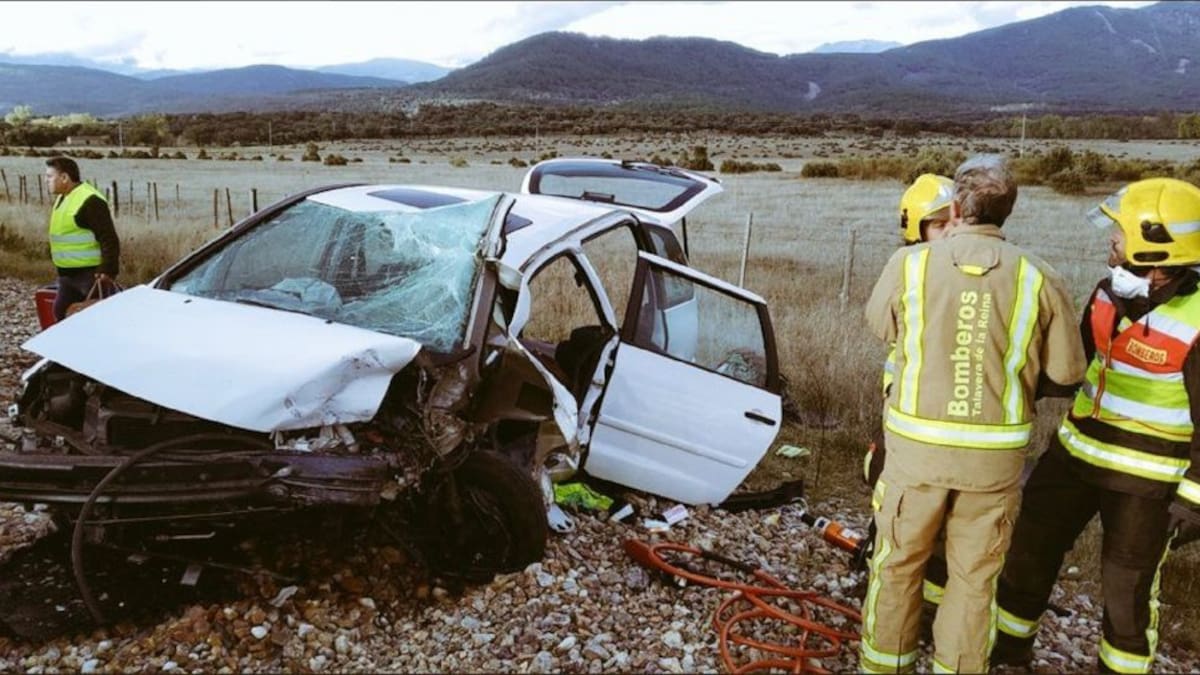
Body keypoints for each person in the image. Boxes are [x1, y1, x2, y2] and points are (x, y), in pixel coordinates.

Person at [860, 155, 1087, 674]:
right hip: (993, 466)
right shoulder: (1040, 277)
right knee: (973, 579)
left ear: (957, 206)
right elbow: (1067, 373)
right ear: (1008, 211)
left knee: (897, 566)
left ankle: (882, 666)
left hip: (915, 457)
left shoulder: (909, 265)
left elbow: (882, 327)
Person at [992, 177, 1200, 673]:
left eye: (1120, 233)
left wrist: (1191, 504)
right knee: (1026, 557)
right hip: (1074, 456)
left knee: (1125, 595)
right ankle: (1008, 655)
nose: (1111, 241)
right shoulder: (1107, 293)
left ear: (1155, 249)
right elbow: (1073, 369)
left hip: (1145, 484)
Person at [865, 174, 956, 606]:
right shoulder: (907, 269)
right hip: (901, 410)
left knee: (943, 518)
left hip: (949, 421)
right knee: (890, 498)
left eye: (954, 221)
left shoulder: (974, 274)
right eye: (939, 224)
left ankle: (928, 603)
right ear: (915, 228)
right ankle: (879, 577)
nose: (950, 232)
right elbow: (883, 325)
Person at [44, 156, 120, 320]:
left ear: (64, 178)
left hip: (90, 276)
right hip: (67, 276)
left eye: (50, 176)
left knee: (95, 319)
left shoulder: (90, 200)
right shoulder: (64, 197)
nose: (46, 180)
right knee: (60, 314)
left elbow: (108, 238)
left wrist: (107, 269)